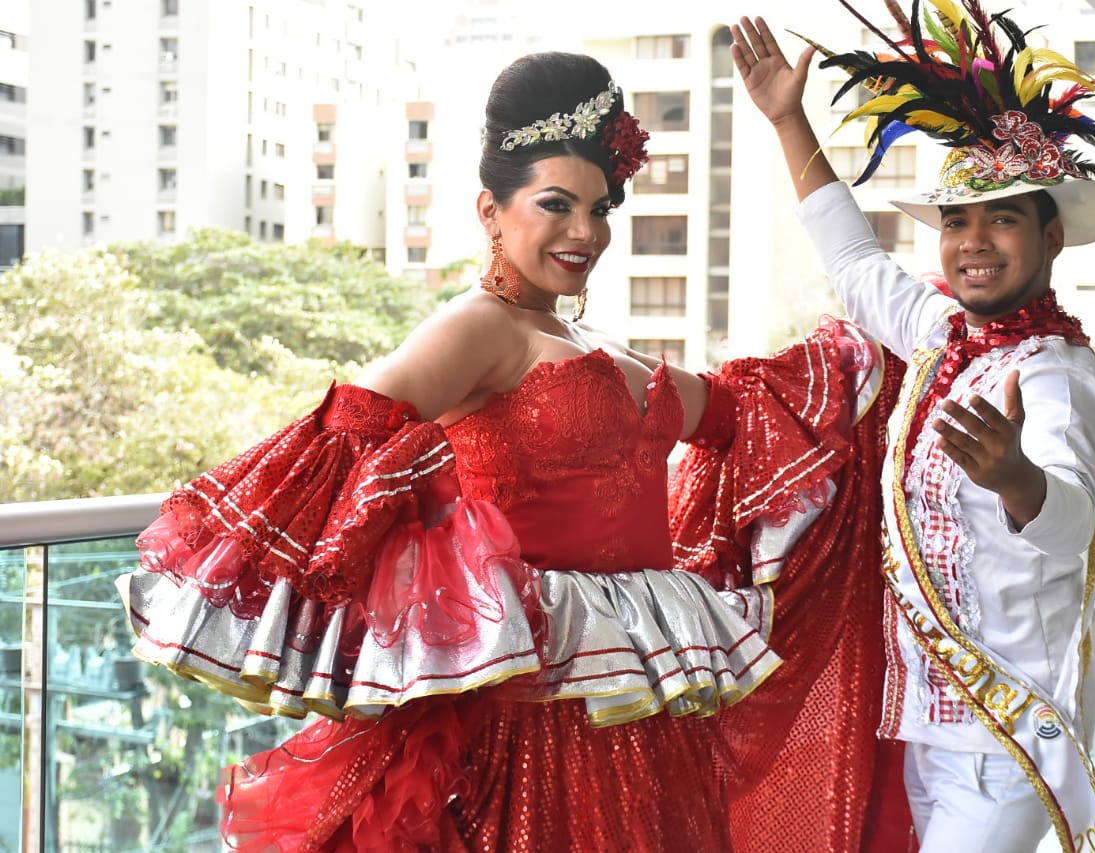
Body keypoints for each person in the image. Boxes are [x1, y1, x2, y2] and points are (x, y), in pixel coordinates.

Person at [118, 50, 902, 851]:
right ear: (491, 211)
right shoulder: (478, 327)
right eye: (556, 205)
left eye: (599, 210)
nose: (584, 232)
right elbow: (350, 431)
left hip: (641, 717)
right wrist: (439, 566)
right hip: (526, 722)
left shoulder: (589, 338)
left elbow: (756, 414)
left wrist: (787, 125)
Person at [731, 3, 1095, 851]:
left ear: (1050, 238)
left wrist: (1018, 480)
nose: (972, 242)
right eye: (957, 221)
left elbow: (1071, 522)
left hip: (1006, 734)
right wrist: (790, 121)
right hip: (930, 720)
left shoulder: (1056, 374)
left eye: (1001, 218)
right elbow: (855, 262)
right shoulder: (943, 337)